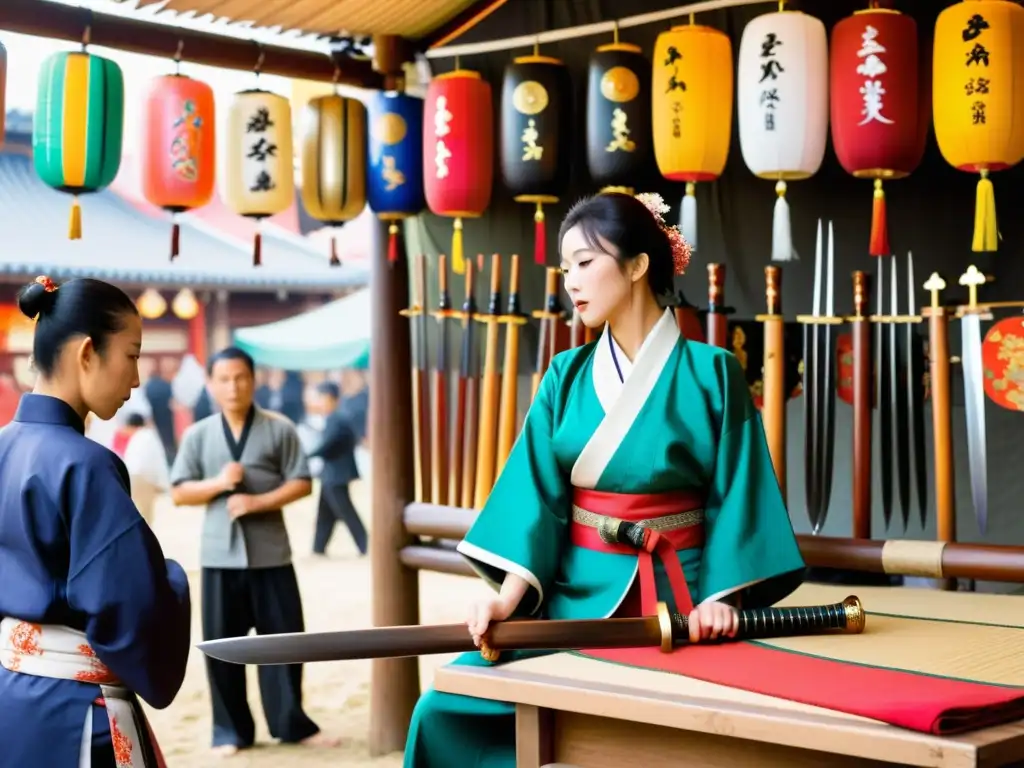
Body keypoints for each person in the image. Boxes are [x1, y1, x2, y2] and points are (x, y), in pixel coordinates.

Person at [403, 192, 806, 767]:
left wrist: (723, 596)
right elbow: (534, 495)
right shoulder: (566, 375)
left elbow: (738, 494)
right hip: (571, 602)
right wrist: (508, 599)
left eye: (586, 262)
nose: (572, 281)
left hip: (683, 603)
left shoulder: (713, 372)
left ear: (639, 265)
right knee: (444, 709)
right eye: (566, 268)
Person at [0, 275, 191, 767]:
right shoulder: (86, 464)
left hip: (11, 696)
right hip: (77, 714)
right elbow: (131, 608)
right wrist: (171, 579)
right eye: (131, 355)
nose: (135, 379)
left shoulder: (2, 447)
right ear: (87, 352)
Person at [169, 346, 338, 756]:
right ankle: (230, 731)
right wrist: (219, 484)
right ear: (210, 385)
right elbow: (178, 492)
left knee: (284, 643)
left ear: (254, 380)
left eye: (241, 377)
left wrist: (256, 502)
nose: (233, 386)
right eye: (224, 379)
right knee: (223, 649)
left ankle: (291, 723)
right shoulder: (198, 435)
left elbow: (302, 481)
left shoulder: (279, 429)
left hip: (271, 555)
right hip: (218, 559)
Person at [308, 381, 368, 557]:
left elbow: (329, 444)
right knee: (325, 515)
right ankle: (318, 547)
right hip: (330, 475)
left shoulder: (337, 419)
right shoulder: (333, 418)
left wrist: (308, 455)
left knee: (346, 513)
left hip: (337, 475)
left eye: (322, 398)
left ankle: (365, 544)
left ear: (332, 399)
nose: (319, 402)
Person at [117, 412, 171, 527]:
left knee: (139, 511)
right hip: (144, 478)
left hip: (138, 477)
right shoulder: (147, 436)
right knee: (144, 514)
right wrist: (162, 483)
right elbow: (158, 461)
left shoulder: (141, 437)